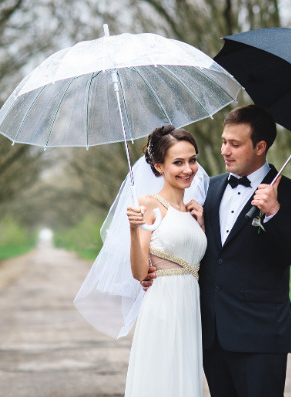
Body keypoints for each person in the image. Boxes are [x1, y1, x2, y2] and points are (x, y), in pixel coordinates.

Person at [142, 105, 291, 396]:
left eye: (234, 144)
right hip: (211, 334)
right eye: (224, 141)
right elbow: (203, 253)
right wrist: (160, 270)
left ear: (260, 147)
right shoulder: (209, 188)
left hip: (260, 335)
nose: (225, 150)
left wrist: (274, 213)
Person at [124, 124, 208, 396]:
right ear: (159, 167)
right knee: (164, 380)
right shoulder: (148, 204)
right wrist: (134, 228)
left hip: (191, 305)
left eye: (192, 160)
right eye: (178, 162)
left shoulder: (195, 209)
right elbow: (139, 272)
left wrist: (202, 225)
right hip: (164, 305)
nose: (188, 169)